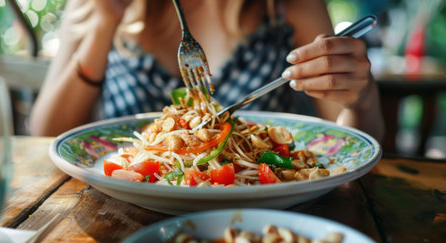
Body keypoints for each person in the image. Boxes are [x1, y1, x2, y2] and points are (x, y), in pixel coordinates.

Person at [30, 0, 384, 142]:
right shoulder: (98, 5)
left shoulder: (289, 6)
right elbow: (45, 135)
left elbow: (349, 148)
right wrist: (103, 25)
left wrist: (360, 100)